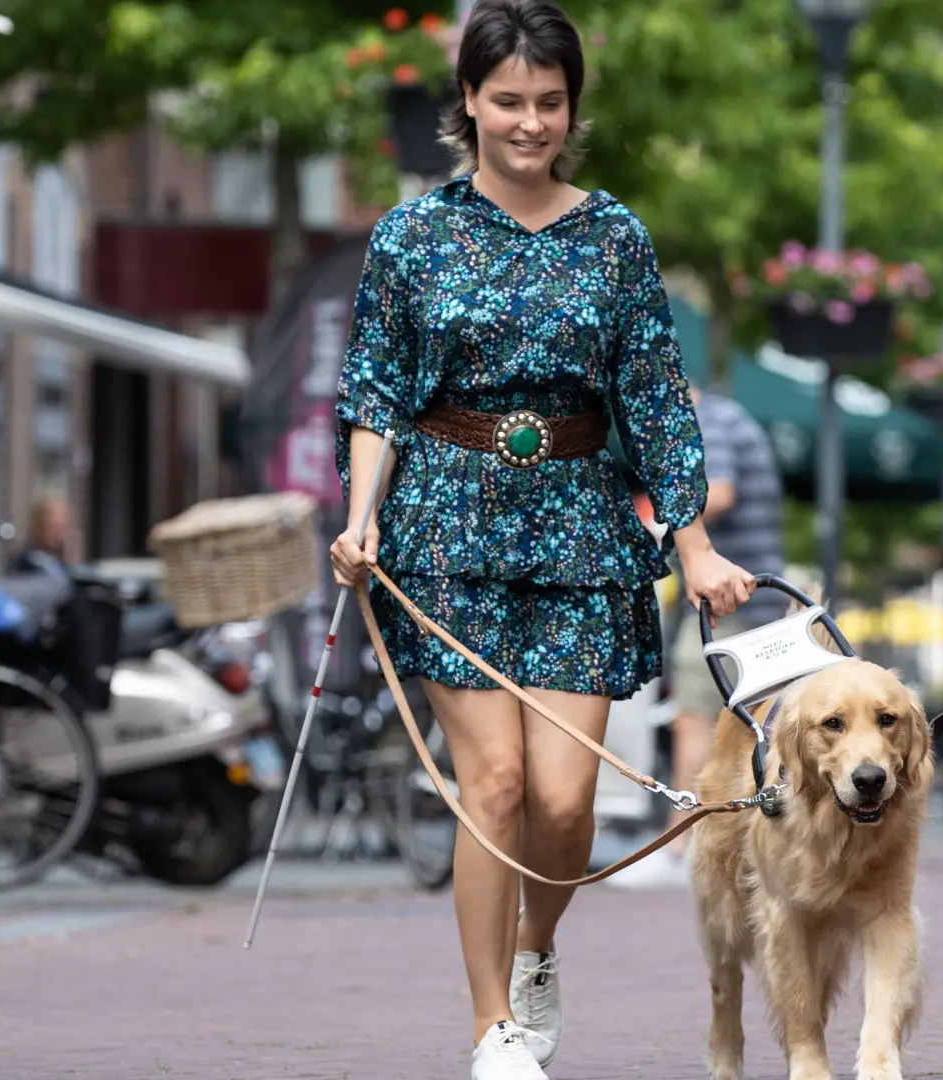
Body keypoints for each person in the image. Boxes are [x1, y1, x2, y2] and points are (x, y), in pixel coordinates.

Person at [328, 3, 755, 1077]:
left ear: (572, 108)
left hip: (580, 531)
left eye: (548, 103)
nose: (529, 123)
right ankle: (490, 1029)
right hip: (443, 528)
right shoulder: (412, 236)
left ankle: (536, 950)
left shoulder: (615, 237)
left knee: (567, 801)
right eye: (508, 101)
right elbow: (374, 391)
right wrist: (361, 512)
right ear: (467, 102)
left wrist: (694, 547)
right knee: (500, 787)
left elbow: (655, 400)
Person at [661, 384, 785, 864]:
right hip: (754, 605)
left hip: (728, 605)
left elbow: (718, 491)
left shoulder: (705, 421)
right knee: (750, 729)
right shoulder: (731, 415)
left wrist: (654, 519)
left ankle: (679, 845)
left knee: (694, 722)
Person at [8, 495, 73, 578]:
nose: (59, 533)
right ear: (38, 526)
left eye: (63, 527)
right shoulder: (29, 562)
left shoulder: (58, 561)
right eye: (53, 527)